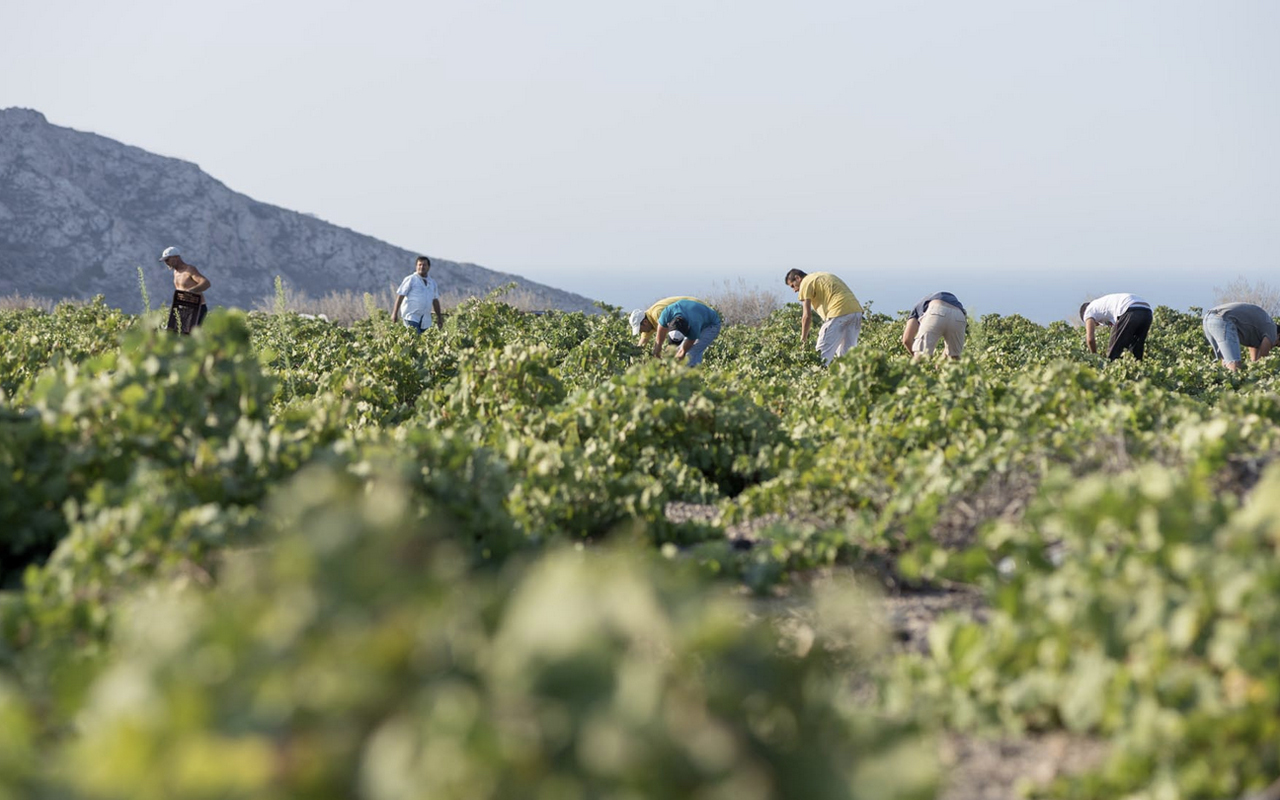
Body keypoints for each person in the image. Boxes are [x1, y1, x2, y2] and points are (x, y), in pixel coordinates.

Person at [784, 269, 863, 365]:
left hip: (838, 312)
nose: (795, 290)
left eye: (793, 286)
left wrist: (803, 339)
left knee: (821, 357)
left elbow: (806, 316)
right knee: (847, 358)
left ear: (797, 278)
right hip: (856, 312)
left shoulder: (805, 282)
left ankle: (818, 378)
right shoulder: (821, 276)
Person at [1202, 302, 1278, 371]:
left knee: (1224, 362)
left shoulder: (1262, 330)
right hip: (1223, 319)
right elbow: (1262, 360)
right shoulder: (1272, 330)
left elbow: (1254, 361)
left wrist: (1253, 368)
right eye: (1277, 344)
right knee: (1234, 364)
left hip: (1208, 318)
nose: (1272, 346)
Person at [1079, 293, 1153, 360]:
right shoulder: (1100, 307)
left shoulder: (1088, 311)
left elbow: (1090, 339)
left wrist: (1094, 356)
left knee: (1113, 354)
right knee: (1136, 352)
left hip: (1130, 309)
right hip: (1147, 311)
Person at [652, 299, 721, 366]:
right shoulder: (666, 314)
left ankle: (692, 374)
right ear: (669, 325)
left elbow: (682, 353)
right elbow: (659, 341)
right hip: (694, 316)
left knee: (690, 354)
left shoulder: (694, 327)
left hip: (711, 324)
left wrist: (671, 366)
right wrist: (657, 356)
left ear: (687, 331)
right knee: (676, 349)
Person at [902, 292, 967, 359]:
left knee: (922, 355)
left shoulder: (916, 310)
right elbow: (949, 348)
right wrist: (940, 361)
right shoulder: (926, 301)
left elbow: (907, 339)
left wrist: (916, 357)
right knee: (954, 358)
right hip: (959, 315)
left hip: (936, 309)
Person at [159, 246, 211, 325]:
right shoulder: (176, 273)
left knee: (191, 334)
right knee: (179, 333)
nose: (166, 262)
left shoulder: (189, 270)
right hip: (184, 309)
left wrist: (191, 291)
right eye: (165, 260)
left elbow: (206, 283)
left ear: (176, 257)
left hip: (197, 308)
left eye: (167, 259)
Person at [392, 256, 444, 333]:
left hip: (425, 320)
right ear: (416, 266)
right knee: (415, 339)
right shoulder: (411, 279)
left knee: (424, 342)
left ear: (428, 267)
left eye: (424, 265)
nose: (422, 267)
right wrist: (394, 313)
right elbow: (400, 295)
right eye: (419, 265)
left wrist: (439, 317)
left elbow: (435, 301)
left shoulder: (432, 283)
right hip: (411, 317)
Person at [629, 296, 698, 347]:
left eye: (640, 329)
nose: (641, 332)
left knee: (687, 349)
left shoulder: (657, 314)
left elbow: (672, 333)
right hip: (688, 317)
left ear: (645, 322)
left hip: (695, 310)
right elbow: (642, 343)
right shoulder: (648, 323)